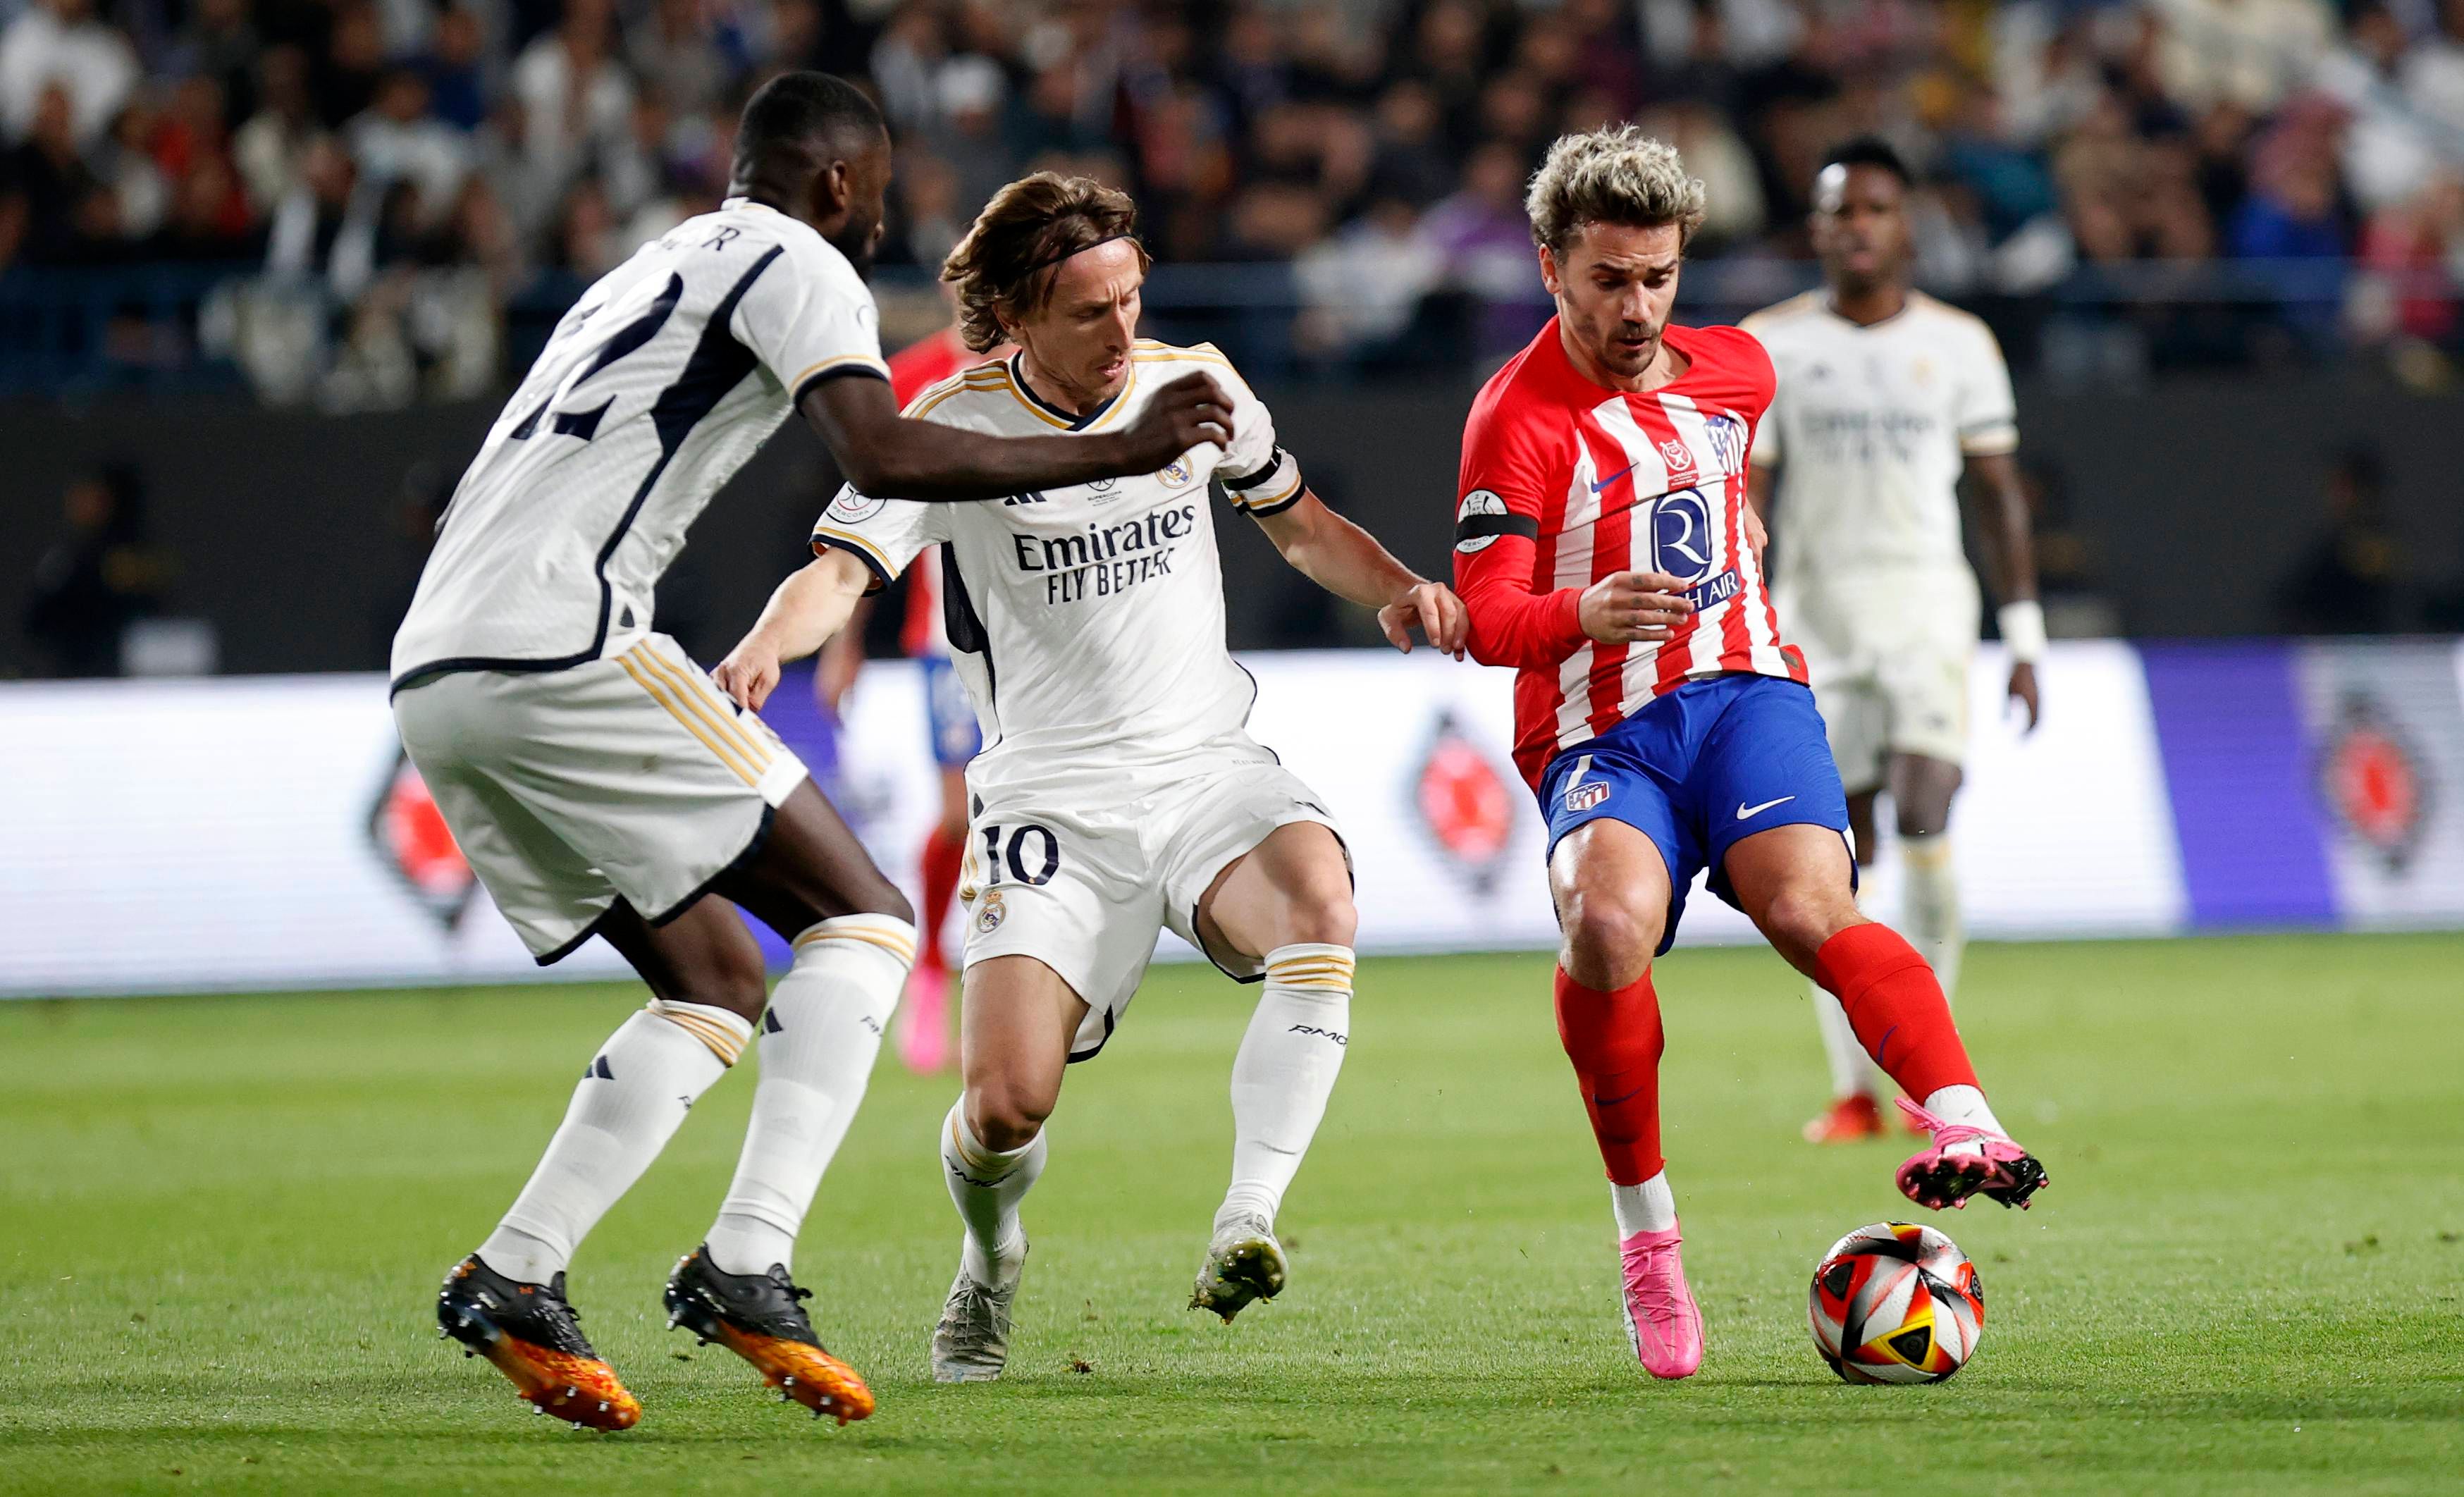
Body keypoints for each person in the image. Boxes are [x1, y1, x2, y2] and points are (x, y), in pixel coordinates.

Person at [388, 74, 1233, 1431]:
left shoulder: (647, 265)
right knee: (866, 917)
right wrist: (1116, 450)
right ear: (836, 182)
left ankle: (516, 1271)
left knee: (716, 979)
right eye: (882, 190)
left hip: (438, 668)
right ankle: (747, 1259)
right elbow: (879, 448)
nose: (885, 217)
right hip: (562, 643)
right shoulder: (798, 256)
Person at [711, 171, 1467, 1384]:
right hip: (1045, 800)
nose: (1121, 331)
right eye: (1087, 311)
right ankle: (991, 1255)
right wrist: (765, 643)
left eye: (1131, 297)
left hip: (1201, 765)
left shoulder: (1198, 383)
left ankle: (1246, 1218)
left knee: (1320, 902)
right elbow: (840, 573)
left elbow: (1300, 520)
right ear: (1015, 314)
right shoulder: (944, 427)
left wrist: (1403, 587)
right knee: (1006, 1106)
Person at [1449, 126, 2046, 1382]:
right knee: (1604, 928)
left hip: (1746, 693)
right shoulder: (1514, 419)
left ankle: (1967, 1118)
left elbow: (1726, 480)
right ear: (1552, 266)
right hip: (1599, 723)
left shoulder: (1734, 369)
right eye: (1608, 278)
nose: (1636, 306)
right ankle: (1649, 1239)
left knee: (1809, 902)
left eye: (1657, 276)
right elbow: (1491, 616)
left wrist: (1741, 519)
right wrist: (1584, 609)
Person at [1739, 138, 2045, 1145]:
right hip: (1816, 623)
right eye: (1839, 211)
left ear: (1905, 222)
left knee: (1927, 808)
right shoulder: (1770, 345)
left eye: (1875, 207)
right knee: (1838, 862)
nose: (1858, 225)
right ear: (1818, 230)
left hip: (1926, 612)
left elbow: (1999, 496)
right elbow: (1749, 494)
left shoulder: (1959, 343)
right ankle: (1856, 1092)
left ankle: (1927, 1073)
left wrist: (2027, 634)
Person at [812, 293, 1006, 1076]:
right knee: (960, 818)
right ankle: (930, 968)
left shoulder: (1049, 369)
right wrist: (845, 639)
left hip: (1048, 635)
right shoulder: (914, 378)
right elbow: (866, 513)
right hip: (948, 640)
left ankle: (1023, 987)